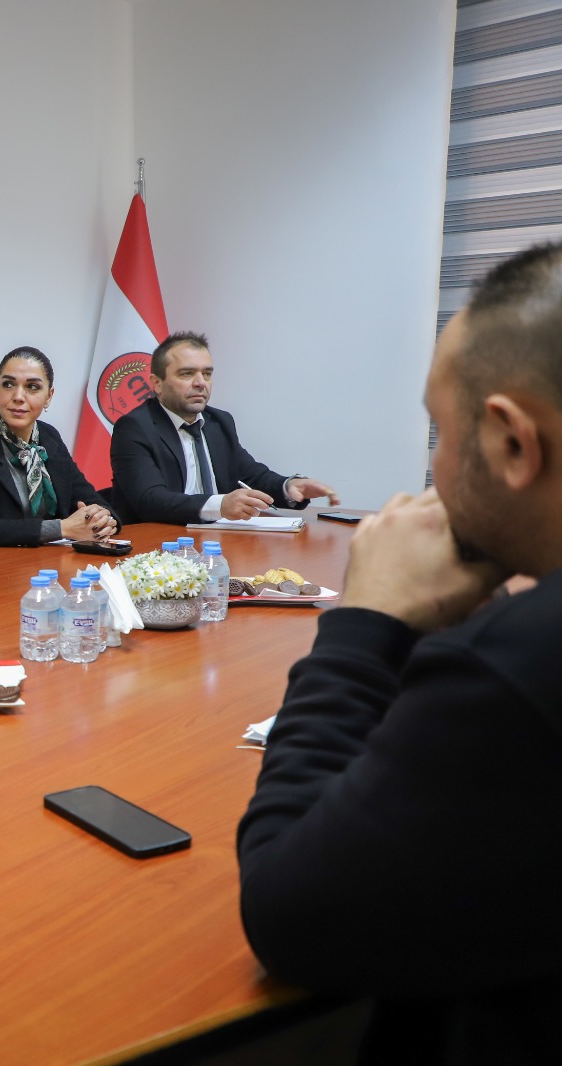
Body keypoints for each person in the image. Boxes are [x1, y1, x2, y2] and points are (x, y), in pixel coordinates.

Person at [237, 242, 562, 1061]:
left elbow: (289, 912)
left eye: (439, 430)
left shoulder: (518, 664)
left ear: (513, 443)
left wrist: (364, 623)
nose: (432, 467)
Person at [108, 332, 339, 524]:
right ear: (157, 383)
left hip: (216, 541)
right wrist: (220, 505)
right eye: (187, 374)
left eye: (207, 374)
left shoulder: (218, 422)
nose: (200, 383)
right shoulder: (135, 427)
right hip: (158, 544)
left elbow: (251, 475)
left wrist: (289, 486)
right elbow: (150, 500)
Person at [0, 347, 120, 547]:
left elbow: (93, 501)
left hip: (52, 558)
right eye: (8, 384)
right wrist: (62, 528)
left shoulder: (49, 437)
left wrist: (103, 520)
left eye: (32, 387)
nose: (18, 396)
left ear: (49, 396)